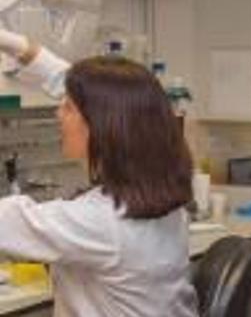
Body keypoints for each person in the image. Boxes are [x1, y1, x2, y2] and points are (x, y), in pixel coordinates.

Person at [0, 36, 198, 316]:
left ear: (103, 126)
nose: (58, 114)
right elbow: (95, 93)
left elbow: (8, 220)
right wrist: (14, 43)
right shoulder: (164, 199)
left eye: (67, 107)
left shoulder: (100, 220)